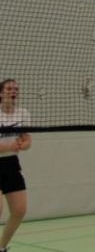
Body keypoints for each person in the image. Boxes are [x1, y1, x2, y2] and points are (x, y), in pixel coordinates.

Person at [0, 79, 31, 252]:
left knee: (19, 210)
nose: (14, 91)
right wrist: (8, 146)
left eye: (16, 89)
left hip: (11, 163)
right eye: (9, 88)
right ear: (1, 93)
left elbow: (27, 141)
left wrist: (21, 145)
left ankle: (1, 247)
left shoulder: (23, 113)